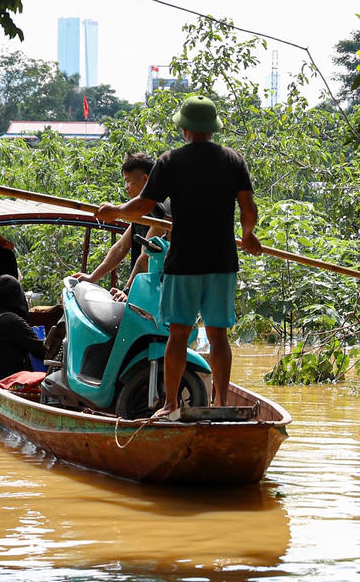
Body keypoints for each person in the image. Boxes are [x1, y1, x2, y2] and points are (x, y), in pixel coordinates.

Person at [95, 95, 261, 414]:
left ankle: (171, 404)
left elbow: (144, 206)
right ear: (212, 129)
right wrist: (248, 235)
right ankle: (222, 402)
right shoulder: (233, 160)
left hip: (184, 262)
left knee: (178, 334)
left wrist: (116, 211)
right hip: (222, 262)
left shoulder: (170, 161)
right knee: (218, 334)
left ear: (184, 129)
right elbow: (248, 208)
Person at [74, 152, 169, 302]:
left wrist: (127, 291)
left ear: (145, 180)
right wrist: (92, 277)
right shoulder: (141, 214)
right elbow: (120, 248)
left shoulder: (163, 211)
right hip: (146, 290)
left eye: (128, 181)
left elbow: (146, 256)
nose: (126, 187)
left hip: (164, 293)